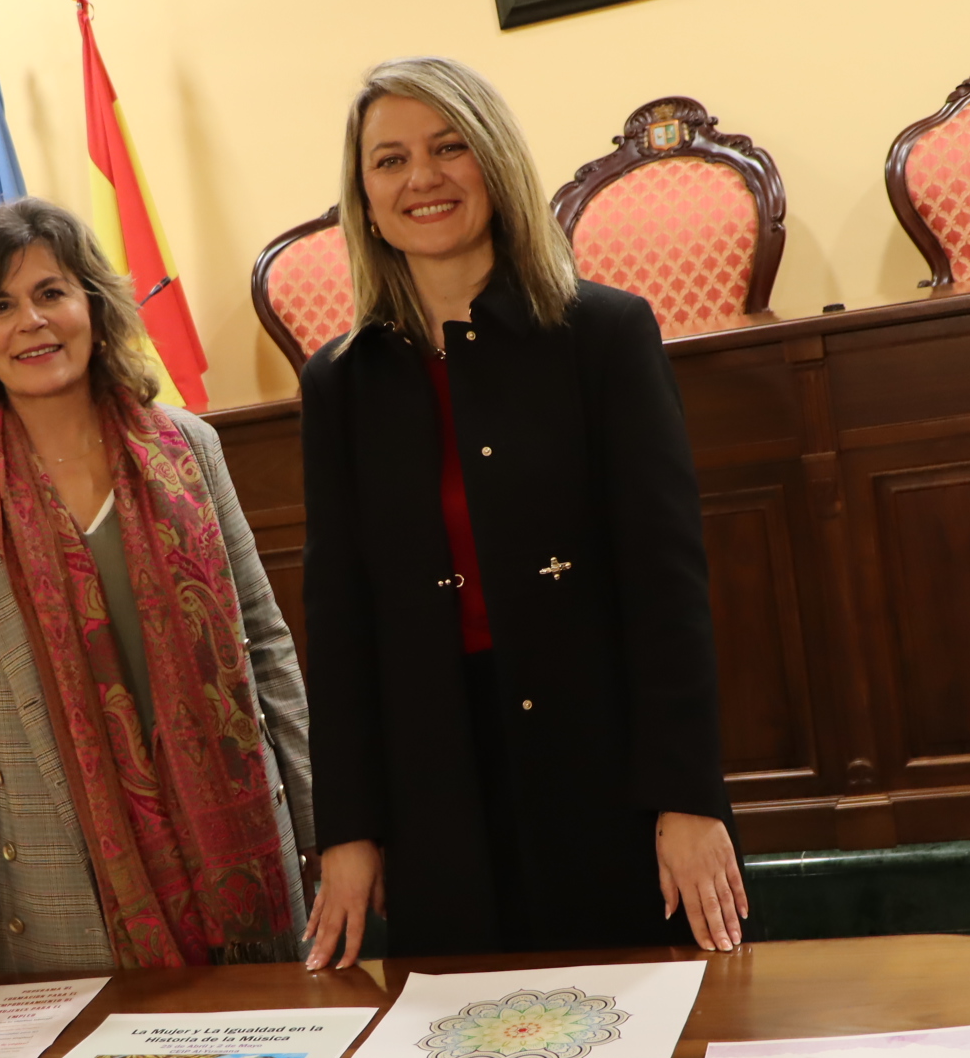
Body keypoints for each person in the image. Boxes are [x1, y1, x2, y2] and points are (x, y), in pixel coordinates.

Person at [299, 57, 748, 968]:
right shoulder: (340, 383)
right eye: (388, 161)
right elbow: (340, 622)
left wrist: (687, 797)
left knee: (653, 1045)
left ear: (494, 163)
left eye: (448, 147)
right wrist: (347, 831)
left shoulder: (603, 335)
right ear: (365, 198)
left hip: (605, 768)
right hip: (434, 784)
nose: (420, 178)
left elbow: (668, 588)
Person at [0, 198, 315, 1014]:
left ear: (93, 304)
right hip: (58, 869)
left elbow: (267, 645)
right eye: (0, 307)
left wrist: (326, 829)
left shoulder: (189, 445)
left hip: (242, 847)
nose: (31, 324)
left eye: (51, 293)